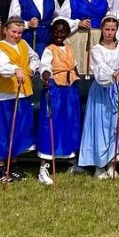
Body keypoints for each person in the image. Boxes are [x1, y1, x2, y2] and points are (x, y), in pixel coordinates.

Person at [78, 16, 119, 179]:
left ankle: (112, 162)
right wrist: (114, 74)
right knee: (101, 127)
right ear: (102, 30)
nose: (110, 33)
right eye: (107, 29)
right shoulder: (97, 49)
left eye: (113, 29)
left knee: (115, 126)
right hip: (103, 91)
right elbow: (100, 67)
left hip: (118, 90)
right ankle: (99, 165)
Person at [0, 16, 39, 184]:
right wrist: (15, 69)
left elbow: (34, 56)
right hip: (5, 94)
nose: (16, 35)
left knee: (17, 130)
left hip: (22, 92)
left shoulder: (23, 44)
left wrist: (30, 68)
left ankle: (13, 164)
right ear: (6, 30)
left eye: (20, 32)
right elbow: (1, 67)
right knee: (2, 130)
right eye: (14, 32)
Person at [37, 19, 81, 183]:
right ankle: (44, 166)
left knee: (70, 122)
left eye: (62, 32)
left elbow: (74, 66)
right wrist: (46, 76)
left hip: (70, 89)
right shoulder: (49, 50)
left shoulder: (69, 48)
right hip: (55, 89)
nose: (59, 35)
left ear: (67, 33)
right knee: (51, 123)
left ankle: (71, 158)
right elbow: (45, 67)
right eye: (56, 31)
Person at [67, 0, 109, 77]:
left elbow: (109, 16)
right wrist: (77, 23)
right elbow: (61, 20)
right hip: (79, 37)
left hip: (99, 36)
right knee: (80, 65)